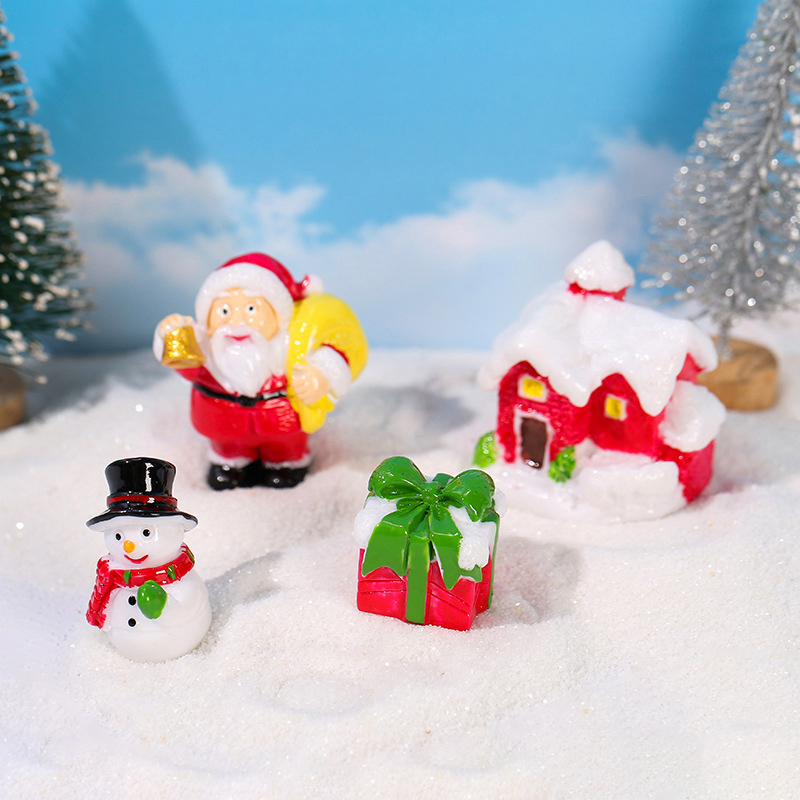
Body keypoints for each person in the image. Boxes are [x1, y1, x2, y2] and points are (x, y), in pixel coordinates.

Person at [154, 253, 367, 489]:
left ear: (277, 316)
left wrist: (322, 375)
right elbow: (184, 364)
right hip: (224, 426)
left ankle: (286, 464)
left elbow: (335, 350)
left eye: (251, 309)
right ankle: (231, 463)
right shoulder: (206, 352)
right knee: (228, 457)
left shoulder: (291, 349)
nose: (237, 322)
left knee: (286, 454)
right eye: (224, 311)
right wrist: (171, 339)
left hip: (282, 427)